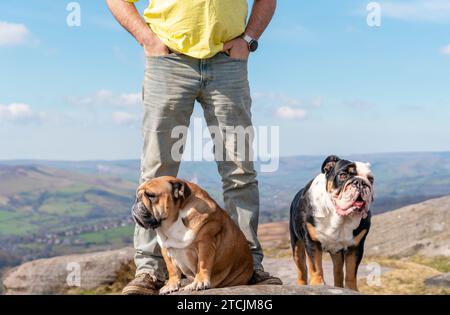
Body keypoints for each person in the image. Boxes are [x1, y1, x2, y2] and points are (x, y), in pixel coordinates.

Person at [106, 0, 281, 295]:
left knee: (239, 170)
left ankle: (248, 265)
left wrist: (248, 40)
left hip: (228, 59)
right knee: (156, 170)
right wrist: (147, 38)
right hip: (169, 61)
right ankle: (150, 271)